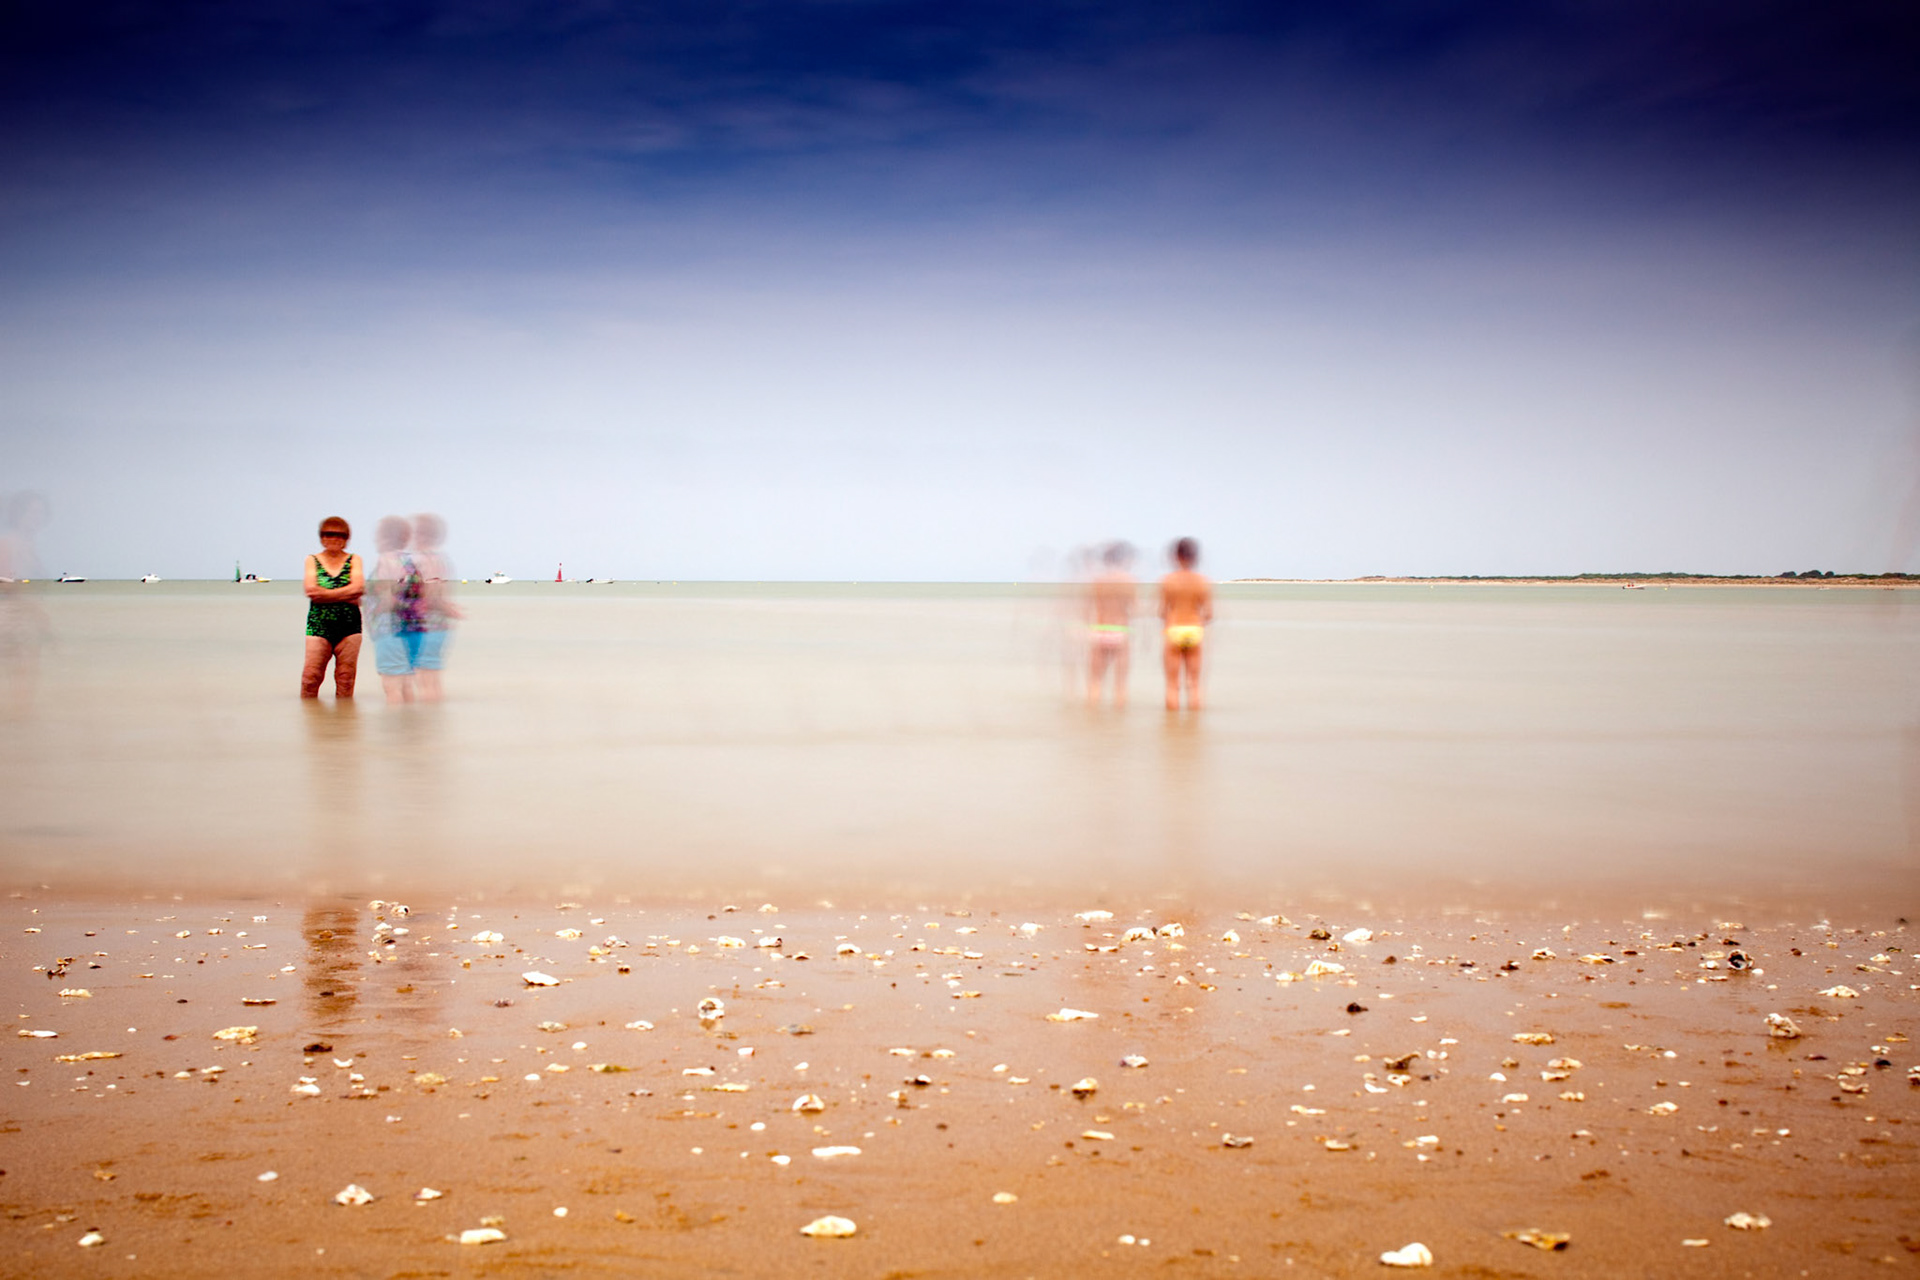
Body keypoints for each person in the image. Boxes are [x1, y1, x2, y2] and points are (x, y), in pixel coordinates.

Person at [301, 516, 364, 698]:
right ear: (322, 538)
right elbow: (311, 590)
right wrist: (347, 595)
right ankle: (310, 721)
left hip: (350, 626)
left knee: (346, 679)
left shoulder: (354, 560)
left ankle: (343, 723)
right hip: (319, 625)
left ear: (346, 539)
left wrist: (325, 595)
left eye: (340, 535)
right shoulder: (312, 560)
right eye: (329, 534)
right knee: (310, 678)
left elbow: (359, 587)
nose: (334, 538)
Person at [367, 515, 423, 703]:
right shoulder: (411, 562)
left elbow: (387, 598)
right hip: (412, 630)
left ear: (387, 537)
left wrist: (369, 604)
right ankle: (410, 729)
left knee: (391, 687)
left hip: (389, 630)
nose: (376, 539)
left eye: (379, 535)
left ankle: (394, 728)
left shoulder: (386, 560)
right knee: (406, 685)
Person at [407, 512, 461, 701]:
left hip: (424, 623)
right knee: (431, 676)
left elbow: (431, 592)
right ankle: (433, 722)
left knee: (424, 676)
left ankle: (425, 724)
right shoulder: (440, 559)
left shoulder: (423, 559)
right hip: (438, 624)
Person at [1158, 537, 1212, 711]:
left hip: (1174, 629)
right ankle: (1193, 730)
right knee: (1194, 684)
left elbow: (1161, 611)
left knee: (1172, 684)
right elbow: (1209, 614)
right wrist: (1198, 624)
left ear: (1176, 556)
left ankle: (1172, 730)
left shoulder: (1167, 580)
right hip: (1194, 630)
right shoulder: (1203, 581)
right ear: (1195, 557)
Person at [1085, 541, 1136, 706]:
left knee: (1095, 683)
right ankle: (1119, 728)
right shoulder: (1129, 581)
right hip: (1119, 631)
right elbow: (1134, 610)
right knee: (1120, 687)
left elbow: (1090, 608)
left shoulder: (1098, 581)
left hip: (1100, 630)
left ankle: (1092, 724)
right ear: (1123, 559)